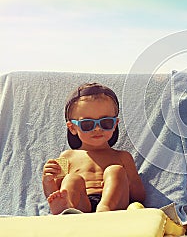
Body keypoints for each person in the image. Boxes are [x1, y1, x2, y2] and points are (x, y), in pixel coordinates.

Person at [42, 83, 145, 214]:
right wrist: (48, 181)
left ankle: (104, 210)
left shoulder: (123, 157)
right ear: (72, 128)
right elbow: (56, 194)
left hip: (113, 205)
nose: (97, 128)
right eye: (87, 124)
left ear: (115, 124)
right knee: (71, 179)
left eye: (106, 122)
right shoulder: (66, 157)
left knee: (116, 171)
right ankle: (68, 210)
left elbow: (139, 196)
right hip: (80, 206)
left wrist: (122, 181)